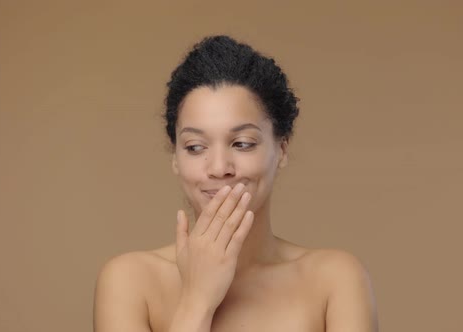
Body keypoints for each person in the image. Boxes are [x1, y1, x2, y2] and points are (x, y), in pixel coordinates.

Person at [93, 35, 378, 332]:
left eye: (242, 143)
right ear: (175, 157)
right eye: (195, 147)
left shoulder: (335, 281)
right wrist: (197, 300)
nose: (219, 168)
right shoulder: (130, 282)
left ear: (281, 149)